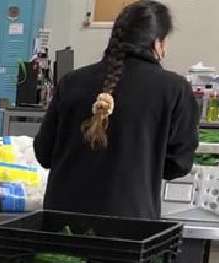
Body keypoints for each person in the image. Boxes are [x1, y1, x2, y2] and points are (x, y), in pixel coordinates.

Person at [34, 0, 198, 219]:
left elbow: (44, 153)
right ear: (158, 44)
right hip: (130, 226)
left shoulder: (71, 82)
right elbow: (178, 164)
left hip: (62, 223)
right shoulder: (175, 89)